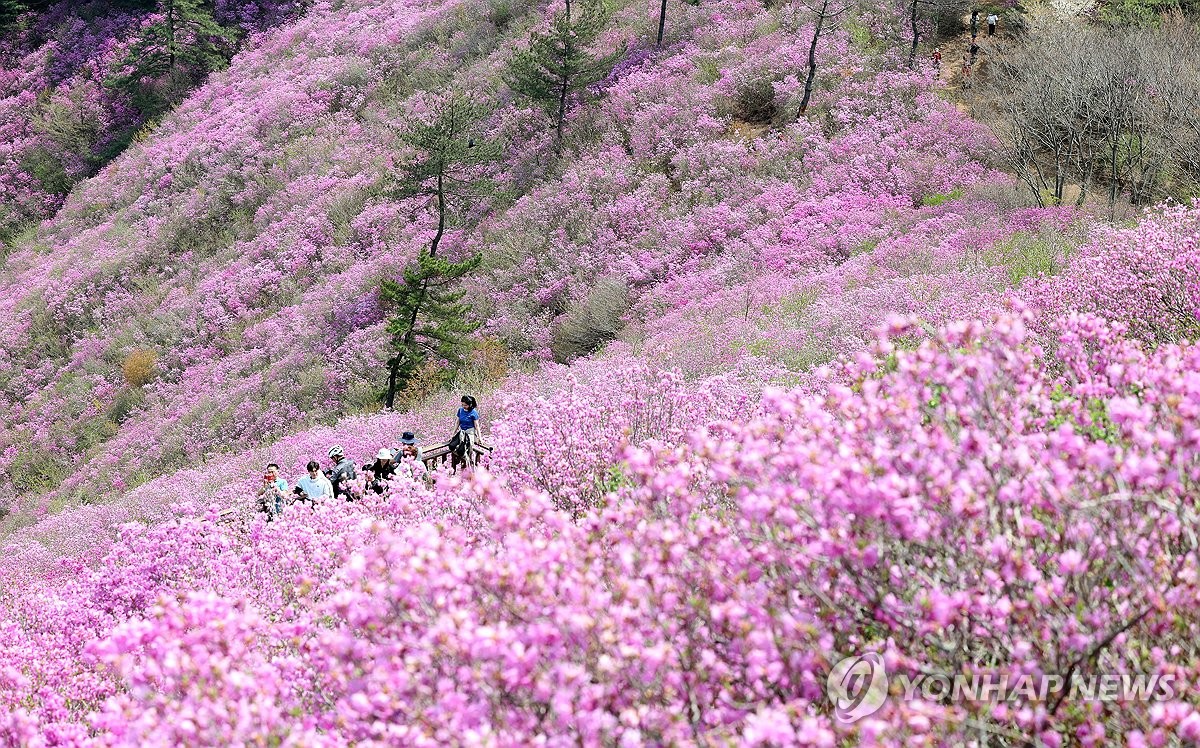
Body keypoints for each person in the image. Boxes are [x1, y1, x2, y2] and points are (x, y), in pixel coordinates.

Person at [454, 395, 482, 467]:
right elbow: (457, 422)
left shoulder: (473, 412)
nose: (463, 406)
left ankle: (470, 466)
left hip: (470, 432)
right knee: (454, 446)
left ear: (470, 405)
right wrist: (453, 433)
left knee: (468, 449)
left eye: (465, 405)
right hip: (462, 432)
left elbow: (477, 426)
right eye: (462, 404)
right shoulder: (460, 410)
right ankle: (464, 463)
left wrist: (480, 437)